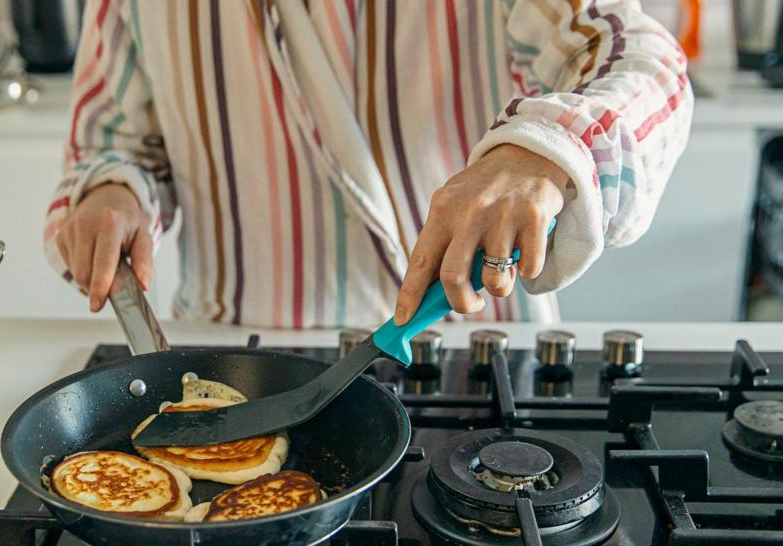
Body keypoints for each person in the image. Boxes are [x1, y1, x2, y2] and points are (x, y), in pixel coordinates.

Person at [45, 0, 692, 328]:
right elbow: (117, 140)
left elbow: (639, 59)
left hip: (472, 347)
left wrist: (543, 150)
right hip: (237, 363)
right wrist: (114, 193)